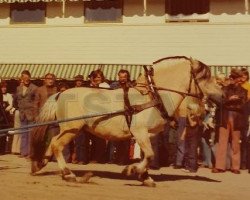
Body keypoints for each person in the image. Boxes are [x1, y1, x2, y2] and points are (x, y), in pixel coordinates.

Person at [212, 68, 247, 174]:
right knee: (222, 142)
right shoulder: (224, 89)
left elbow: (242, 105)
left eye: (235, 78)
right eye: (232, 77)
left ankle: (235, 167)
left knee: (235, 143)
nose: (232, 79)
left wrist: (229, 102)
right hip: (225, 117)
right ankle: (219, 166)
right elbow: (220, 102)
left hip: (236, 119)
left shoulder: (244, 91)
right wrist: (230, 100)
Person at [15, 70, 38, 158]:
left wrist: (35, 114)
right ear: (21, 78)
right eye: (24, 77)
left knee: (31, 134)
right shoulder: (18, 88)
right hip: (22, 114)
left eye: (27, 77)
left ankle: (30, 153)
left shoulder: (34, 88)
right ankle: (23, 152)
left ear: (30, 78)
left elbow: (36, 102)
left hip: (31, 114)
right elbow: (17, 100)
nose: (26, 79)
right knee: (23, 133)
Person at [239, 68, 250, 170]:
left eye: (244, 76)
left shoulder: (248, 86)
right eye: (241, 76)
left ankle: (245, 163)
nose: (242, 78)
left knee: (245, 139)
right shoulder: (237, 85)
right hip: (239, 113)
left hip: (246, 112)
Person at [0, 81, 13, 154]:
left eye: (5, 87)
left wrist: (5, 110)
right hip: (0, 116)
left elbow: (11, 104)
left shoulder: (9, 95)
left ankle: (3, 150)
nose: (4, 89)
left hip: (5, 116)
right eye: (2, 87)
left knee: (4, 133)